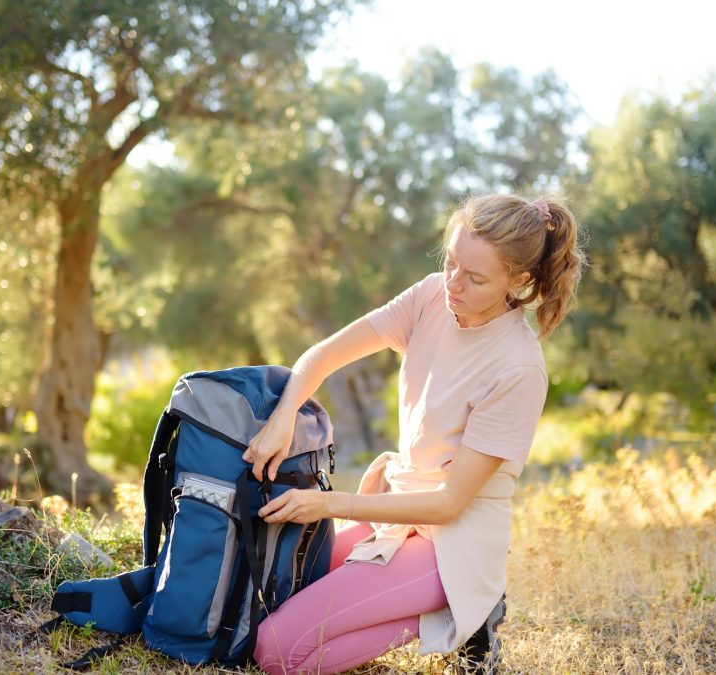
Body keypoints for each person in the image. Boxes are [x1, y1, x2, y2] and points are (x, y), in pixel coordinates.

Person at [242, 194, 586, 674]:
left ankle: (456, 610)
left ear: (520, 280)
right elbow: (321, 356)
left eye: (475, 277)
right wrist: (284, 417)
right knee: (263, 603)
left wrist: (330, 504)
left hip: (450, 544)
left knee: (275, 653)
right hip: (394, 516)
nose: (454, 284)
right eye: (450, 263)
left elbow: (447, 505)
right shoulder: (431, 296)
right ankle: (431, 608)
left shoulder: (519, 367)